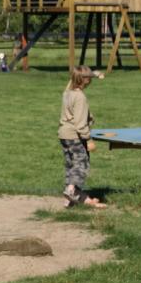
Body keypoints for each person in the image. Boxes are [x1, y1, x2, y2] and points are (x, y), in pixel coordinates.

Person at [59, 65, 106, 209]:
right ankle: (71, 190)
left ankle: (73, 200)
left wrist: (95, 74)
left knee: (71, 165)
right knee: (81, 164)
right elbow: (80, 123)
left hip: (63, 135)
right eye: (89, 78)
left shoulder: (68, 92)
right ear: (85, 81)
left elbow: (74, 78)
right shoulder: (80, 97)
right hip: (75, 135)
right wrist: (89, 140)